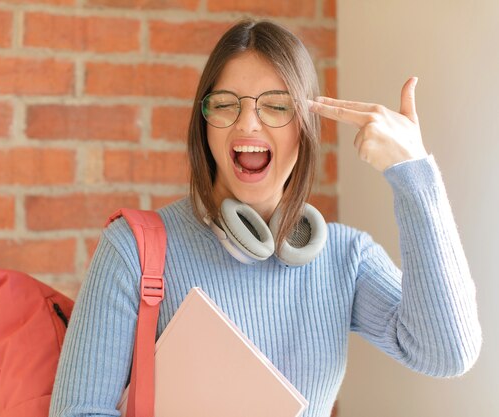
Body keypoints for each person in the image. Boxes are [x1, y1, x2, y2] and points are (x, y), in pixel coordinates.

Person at [49, 19, 482, 417]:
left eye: (276, 106)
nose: (248, 124)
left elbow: (448, 353)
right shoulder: (132, 250)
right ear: (205, 123)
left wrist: (412, 174)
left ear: (305, 128)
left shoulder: (345, 259)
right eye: (226, 104)